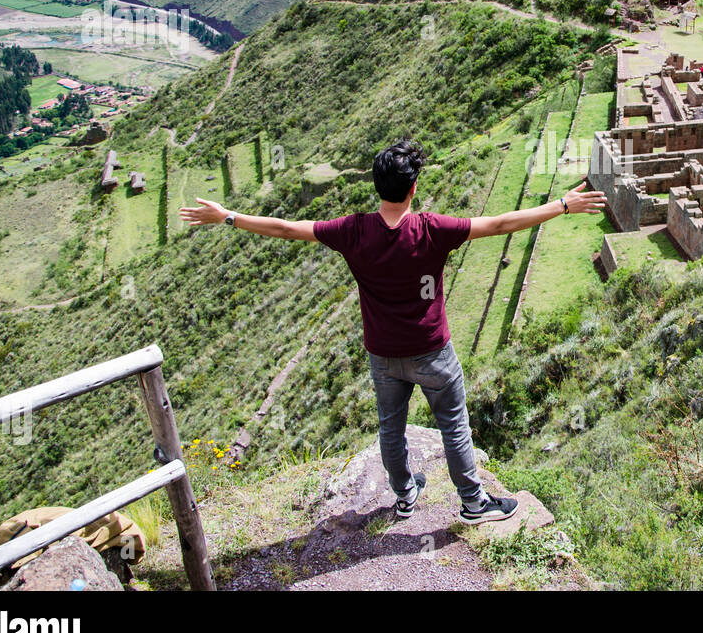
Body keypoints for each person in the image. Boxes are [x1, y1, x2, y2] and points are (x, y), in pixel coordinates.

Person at [180, 139, 607, 524]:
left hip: (383, 355)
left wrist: (228, 217)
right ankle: (473, 502)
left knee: (391, 427)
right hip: (432, 351)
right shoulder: (432, 229)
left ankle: (404, 495)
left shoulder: (352, 230)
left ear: (377, 186)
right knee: (454, 426)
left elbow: (287, 228)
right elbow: (498, 224)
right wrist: (561, 206)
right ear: (413, 188)